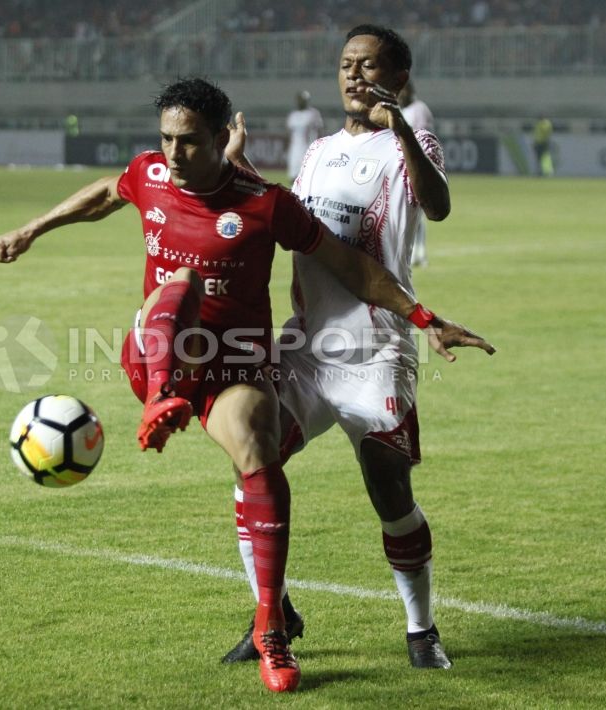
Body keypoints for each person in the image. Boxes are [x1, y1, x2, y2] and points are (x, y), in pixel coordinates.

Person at [0, 77, 490, 693]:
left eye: (190, 142)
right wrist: (33, 229)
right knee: (181, 287)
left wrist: (424, 318)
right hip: (158, 352)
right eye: (167, 140)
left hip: (233, 365)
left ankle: (272, 629)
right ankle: (161, 399)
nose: (174, 154)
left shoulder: (264, 203)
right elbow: (105, 193)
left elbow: (351, 266)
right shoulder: (149, 175)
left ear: (221, 135)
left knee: (260, 463)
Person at [222, 24, 494, 671]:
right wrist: (242, 174)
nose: (353, 75)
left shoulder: (407, 140)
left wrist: (400, 126)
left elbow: (440, 203)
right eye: (346, 64)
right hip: (307, 348)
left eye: (367, 65)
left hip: (375, 352)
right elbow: (294, 220)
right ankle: (274, 615)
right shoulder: (316, 150)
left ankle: (421, 629)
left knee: (389, 493)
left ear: (397, 78)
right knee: (250, 457)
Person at [398, 81, 433, 266]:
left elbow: (421, 138)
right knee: (409, 211)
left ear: (411, 91)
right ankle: (414, 252)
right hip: (402, 166)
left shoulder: (418, 109)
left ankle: (418, 253)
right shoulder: (402, 110)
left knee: (415, 211)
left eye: (402, 92)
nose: (400, 95)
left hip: (416, 166)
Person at [285, 91, 323, 183]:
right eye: (299, 100)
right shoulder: (293, 115)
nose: (301, 102)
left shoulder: (313, 114)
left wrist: (319, 147)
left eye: (303, 100)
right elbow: (288, 133)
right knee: (293, 177)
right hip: (294, 150)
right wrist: (286, 148)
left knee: (307, 176)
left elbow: (319, 131)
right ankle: (294, 195)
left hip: (308, 148)